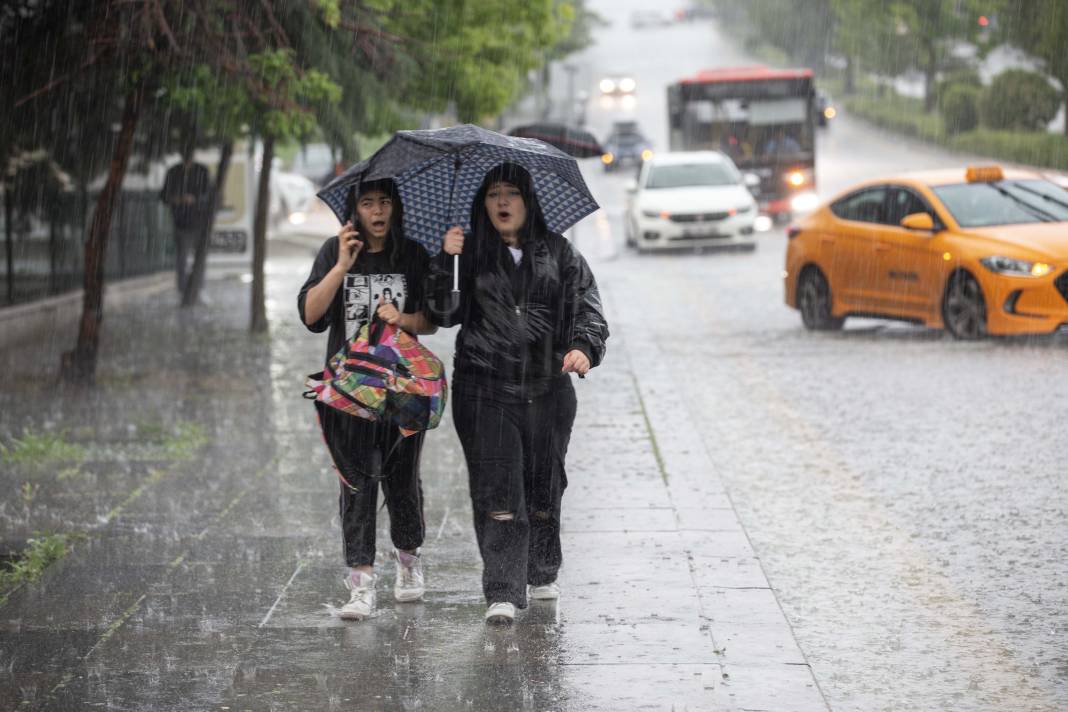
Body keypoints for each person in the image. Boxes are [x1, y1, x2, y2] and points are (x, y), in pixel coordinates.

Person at [429, 162, 609, 625]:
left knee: (544, 487)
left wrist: (582, 348)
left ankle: (542, 569)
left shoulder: (560, 253)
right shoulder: (466, 253)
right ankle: (503, 590)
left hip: (548, 390)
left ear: (528, 202)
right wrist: (447, 260)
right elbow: (443, 313)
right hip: (484, 390)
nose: (502, 202)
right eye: (493, 194)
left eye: (511, 193)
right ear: (482, 204)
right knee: (499, 490)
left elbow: (588, 309)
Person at [298, 178, 437, 621]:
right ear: (355, 210)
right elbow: (310, 314)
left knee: (402, 478)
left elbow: (431, 323)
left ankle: (409, 561)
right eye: (367, 203)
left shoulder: (412, 254)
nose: (377, 211)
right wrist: (341, 266)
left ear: (395, 208)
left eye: (384, 202)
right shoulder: (333, 250)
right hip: (348, 390)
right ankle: (361, 583)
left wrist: (403, 317)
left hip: (403, 388)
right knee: (356, 481)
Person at [160, 142, 213, 294]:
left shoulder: (202, 171)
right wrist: (176, 199)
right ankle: (183, 291)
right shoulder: (173, 172)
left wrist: (194, 199)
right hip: (181, 222)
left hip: (199, 221)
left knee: (199, 259)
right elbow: (164, 196)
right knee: (182, 259)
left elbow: (208, 195)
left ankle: (198, 289)